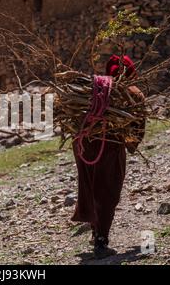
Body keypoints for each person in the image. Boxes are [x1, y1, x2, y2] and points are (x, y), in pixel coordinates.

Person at [71, 55, 146, 259]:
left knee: (90, 186)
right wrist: (130, 144)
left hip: (82, 145)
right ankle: (101, 242)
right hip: (109, 146)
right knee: (108, 192)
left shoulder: (91, 90)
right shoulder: (131, 93)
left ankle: (96, 232)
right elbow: (137, 127)